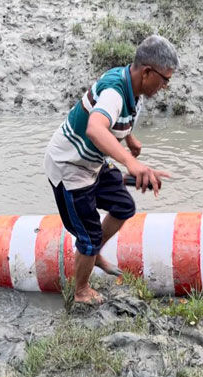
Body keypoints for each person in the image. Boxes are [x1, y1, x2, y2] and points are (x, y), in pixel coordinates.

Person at [44, 35, 177, 304]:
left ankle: (92, 253)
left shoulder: (134, 88)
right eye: (165, 80)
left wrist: (129, 138)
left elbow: (115, 119)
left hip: (95, 162)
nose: (165, 86)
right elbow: (95, 128)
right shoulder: (115, 91)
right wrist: (131, 162)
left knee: (123, 206)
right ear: (148, 72)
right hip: (70, 166)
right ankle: (80, 290)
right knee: (89, 235)